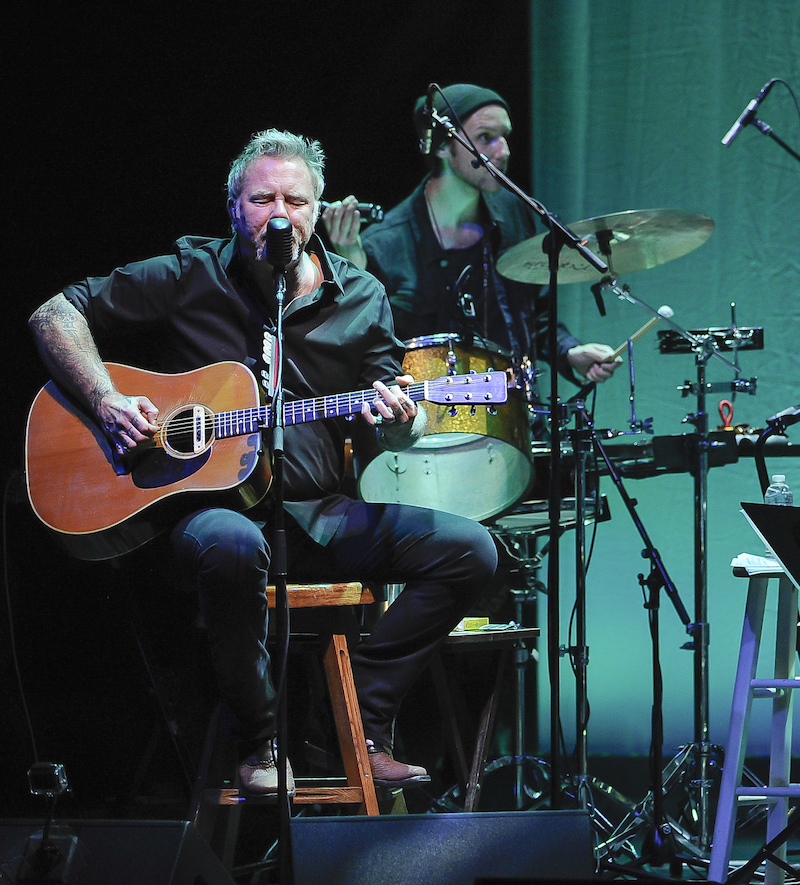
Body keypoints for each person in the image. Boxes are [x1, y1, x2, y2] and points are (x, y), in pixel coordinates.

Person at [28, 129, 501, 796]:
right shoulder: (190, 275)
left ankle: (352, 720)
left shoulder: (362, 297)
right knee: (232, 541)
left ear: (316, 210)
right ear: (233, 208)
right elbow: (55, 313)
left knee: (471, 550)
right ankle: (260, 740)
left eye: (295, 199)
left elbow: (391, 425)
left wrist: (405, 420)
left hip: (322, 515)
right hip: (206, 516)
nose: (280, 214)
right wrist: (105, 400)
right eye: (262, 199)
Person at [321, 83, 618, 385]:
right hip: (431, 421)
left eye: (505, 137)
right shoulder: (385, 245)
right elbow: (365, 351)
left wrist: (569, 351)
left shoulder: (513, 211)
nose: (503, 151)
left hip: (514, 414)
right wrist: (354, 269)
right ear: (442, 146)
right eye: (485, 138)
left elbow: (531, 313)